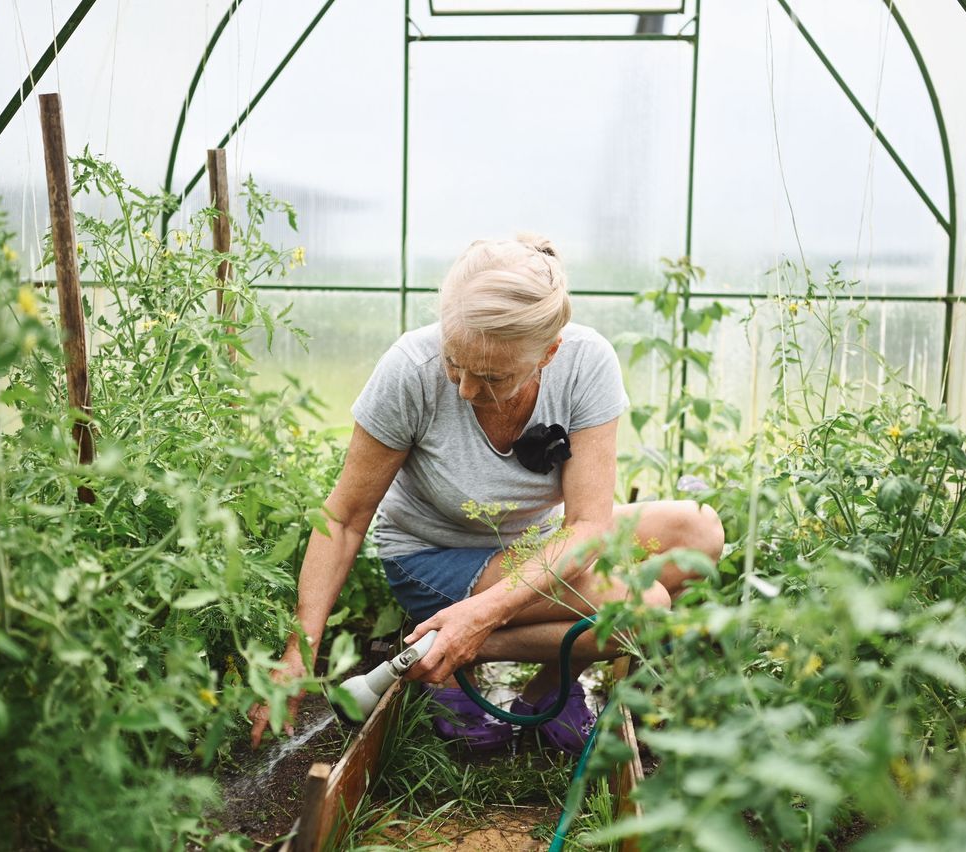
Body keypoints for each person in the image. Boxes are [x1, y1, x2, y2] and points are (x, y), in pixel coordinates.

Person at [247, 234, 724, 754]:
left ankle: (509, 676)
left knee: (696, 532)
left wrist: (481, 621)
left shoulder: (586, 363)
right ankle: (445, 639)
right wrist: (300, 651)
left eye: (493, 377)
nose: (466, 389)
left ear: (549, 353)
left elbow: (588, 526)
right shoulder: (411, 369)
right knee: (640, 604)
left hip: (538, 544)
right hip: (435, 556)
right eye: (455, 362)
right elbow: (342, 521)